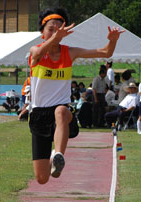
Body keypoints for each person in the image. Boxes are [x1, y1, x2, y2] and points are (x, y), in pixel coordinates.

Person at [29, 7, 123, 184]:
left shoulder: (70, 52)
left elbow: (106, 53)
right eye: (51, 29)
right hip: (39, 114)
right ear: (42, 33)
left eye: (59, 29)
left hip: (62, 112)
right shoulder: (35, 51)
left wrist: (113, 41)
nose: (56, 33)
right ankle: (53, 158)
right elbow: (38, 53)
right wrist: (55, 38)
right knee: (42, 178)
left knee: (61, 111)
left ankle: (58, 155)